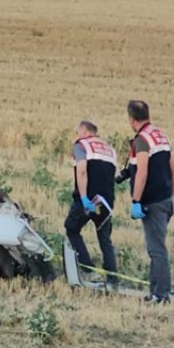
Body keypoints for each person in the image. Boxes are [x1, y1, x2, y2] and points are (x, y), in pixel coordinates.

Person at [116, 100, 174, 303]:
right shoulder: (159, 135)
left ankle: (161, 295)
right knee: (156, 248)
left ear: (131, 119)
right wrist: (171, 194)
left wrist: (136, 200)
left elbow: (142, 171)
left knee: (157, 250)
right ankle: (155, 292)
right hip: (166, 200)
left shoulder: (142, 140)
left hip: (152, 203)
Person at [64, 120, 119, 285]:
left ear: (85, 131)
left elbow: (82, 172)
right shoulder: (110, 150)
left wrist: (83, 198)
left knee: (71, 229)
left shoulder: (81, 145)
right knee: (105, 239)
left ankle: (88, 269)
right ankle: (113, 278)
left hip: (88, 199)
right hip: (107, 201)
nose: (77, 135)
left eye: (78, 132)